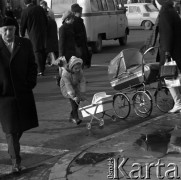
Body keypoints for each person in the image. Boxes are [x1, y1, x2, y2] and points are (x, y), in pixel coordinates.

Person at [0, 17, 38, 173]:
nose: (8, 32)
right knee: (11, 130)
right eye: (5, 29)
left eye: (11, 29)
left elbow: (32, 65)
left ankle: (12, 149)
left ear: (16, 30)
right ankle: (16, 163)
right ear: (0, 31)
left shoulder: (25, 43)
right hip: (4, 95)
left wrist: (30, 82)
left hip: (23, 92)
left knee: (20, 127)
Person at [142, 0, 181, 113]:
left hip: (170, 51)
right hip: (177, 50)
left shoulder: (164, 12)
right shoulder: (171, 10)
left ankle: (178, 103)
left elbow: (167, 33)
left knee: (168, 77)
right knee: (175, 76)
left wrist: (167, 52)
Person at [20, 0, 48, 76]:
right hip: (43, 32)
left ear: (24, 3)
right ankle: (42, 67)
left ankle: (40, 70)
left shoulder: (25, 11)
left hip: (33, 33)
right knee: (43, 50)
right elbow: (46, 20)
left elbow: (23, 24)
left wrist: (22, 34)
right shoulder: (40, 8)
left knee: (37, 51)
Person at [60, 56, 86, 125]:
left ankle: (72, 116)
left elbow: (82, 81)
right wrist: (72, 95)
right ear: (71, 67)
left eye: (79, 68)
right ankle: (75, 118)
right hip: (66, 86)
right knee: (73, 101)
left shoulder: (80, 72)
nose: (78, 70)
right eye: (76, 68)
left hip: (75, 84)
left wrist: (82, 93)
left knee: (78, 100)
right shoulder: (65, 73)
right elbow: (68, 85)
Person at [71, 3, 92, 68]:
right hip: (78, 43)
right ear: (74, 13)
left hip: (82, 42)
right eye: (79, 12)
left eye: (80, 12)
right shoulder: (74, 22)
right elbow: (74, 34)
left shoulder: (80, 21)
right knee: (81, 56)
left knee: (87, 53)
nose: (81, 13)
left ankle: (85, 64)